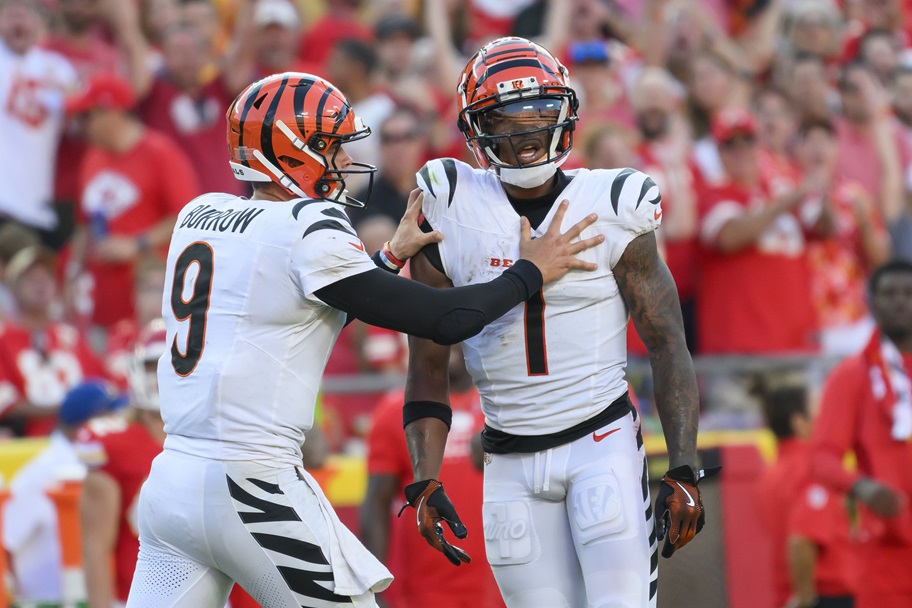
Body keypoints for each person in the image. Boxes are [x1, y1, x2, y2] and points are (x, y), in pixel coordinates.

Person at [125, 71, 602, 608]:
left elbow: (293, 317)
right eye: (328, 148)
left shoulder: (199, 214)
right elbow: (446, 320)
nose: (340, 164)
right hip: (251, 482)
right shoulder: (307, 225)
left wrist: (388, 259)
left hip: (171, 486)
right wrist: (528, 271)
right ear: (291, 150)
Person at [402, 37, 708, 608]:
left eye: (540, 112)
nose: (525, 132)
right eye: (505, 117)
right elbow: (426, 360)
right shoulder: (448, 199)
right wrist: (424, 474)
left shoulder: (615, 200)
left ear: (565, 113)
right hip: (507, 458)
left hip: (601, 443)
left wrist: (685, 464)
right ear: (475, 127)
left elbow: (668, 343)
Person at [360, 344, 503, 608]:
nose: (453, 339)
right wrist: (373, 589)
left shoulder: (503, 410)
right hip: (425, 596)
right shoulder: (394, 412)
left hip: (503, 588)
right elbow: (376, 504)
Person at [809, 259, 912, 608]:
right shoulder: (851, 376)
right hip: (887, 554)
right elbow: (822, 457)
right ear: (872, 302)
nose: (900, 301)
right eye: (889, 293)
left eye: (909, 293)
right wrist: (862, 487)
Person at [3, 379, 125, 604]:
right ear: (85, 424)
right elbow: (5, 540)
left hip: (93, 594)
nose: (122, 424)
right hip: (50, 600)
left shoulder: (97, 460)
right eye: (113, 416)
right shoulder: (43, 472)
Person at [79, 320, 169, 608]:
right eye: (151, 367)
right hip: (137, 598)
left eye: (170, 364)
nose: (160, 377)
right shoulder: (113, 443)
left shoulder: (217, 436)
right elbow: (95, 547)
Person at [753, 378, 857, 608]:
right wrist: (805, 597)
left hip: (789, 594)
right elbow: (801, 539)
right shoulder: (812, 470)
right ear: (799, 422)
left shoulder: (769, 474)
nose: (825, 417)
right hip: (824, 596)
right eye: (818, 411)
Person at [0, 245, 104, 436]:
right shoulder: (3, 339)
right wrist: (67, 409)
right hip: (31, 445)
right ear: (14, 288)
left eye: (46, 277)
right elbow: (6, 403)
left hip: (84, 437)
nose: (40, 284)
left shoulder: (70, 336)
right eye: (31, 278)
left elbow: (101, 384)